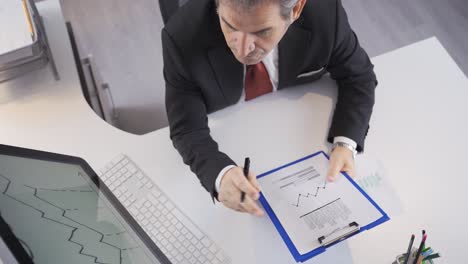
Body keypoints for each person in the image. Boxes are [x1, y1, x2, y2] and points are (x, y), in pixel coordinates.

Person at [162, 0, 377, 217]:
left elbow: (358, 76)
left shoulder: (325, 13)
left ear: (296, 9)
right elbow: (186, 128)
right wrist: (220, 174)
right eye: (230, 26)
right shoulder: (181, 35)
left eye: (262, 32)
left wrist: (345, 142)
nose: (243, 49)